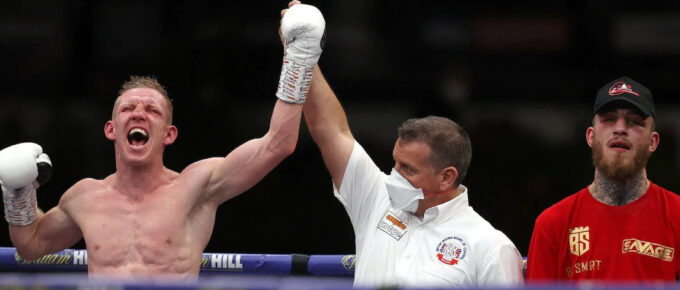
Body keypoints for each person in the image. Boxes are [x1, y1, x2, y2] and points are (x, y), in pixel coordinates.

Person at [0, 3, 325, 278]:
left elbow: (278, 143)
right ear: (111, 130)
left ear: (169, 134)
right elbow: (31, 245)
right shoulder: (84, 197)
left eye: (152, 110)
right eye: (128, 108)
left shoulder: (197, 186)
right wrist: (18, 193)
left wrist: (298, 60)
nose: (139, 113)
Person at [284, 2, 524, 287]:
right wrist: (301, 52)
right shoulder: (376, 198)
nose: (394, 175)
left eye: (408, 169)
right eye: (396, 162)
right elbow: (330, 130)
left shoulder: (489, 247)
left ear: (447, 176)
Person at [526, 76, 680, 281]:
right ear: (591, 136)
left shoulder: (676, 216)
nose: (620, 128)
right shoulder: (553, 225)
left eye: (634, 121)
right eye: (609, 119)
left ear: (653, 142)